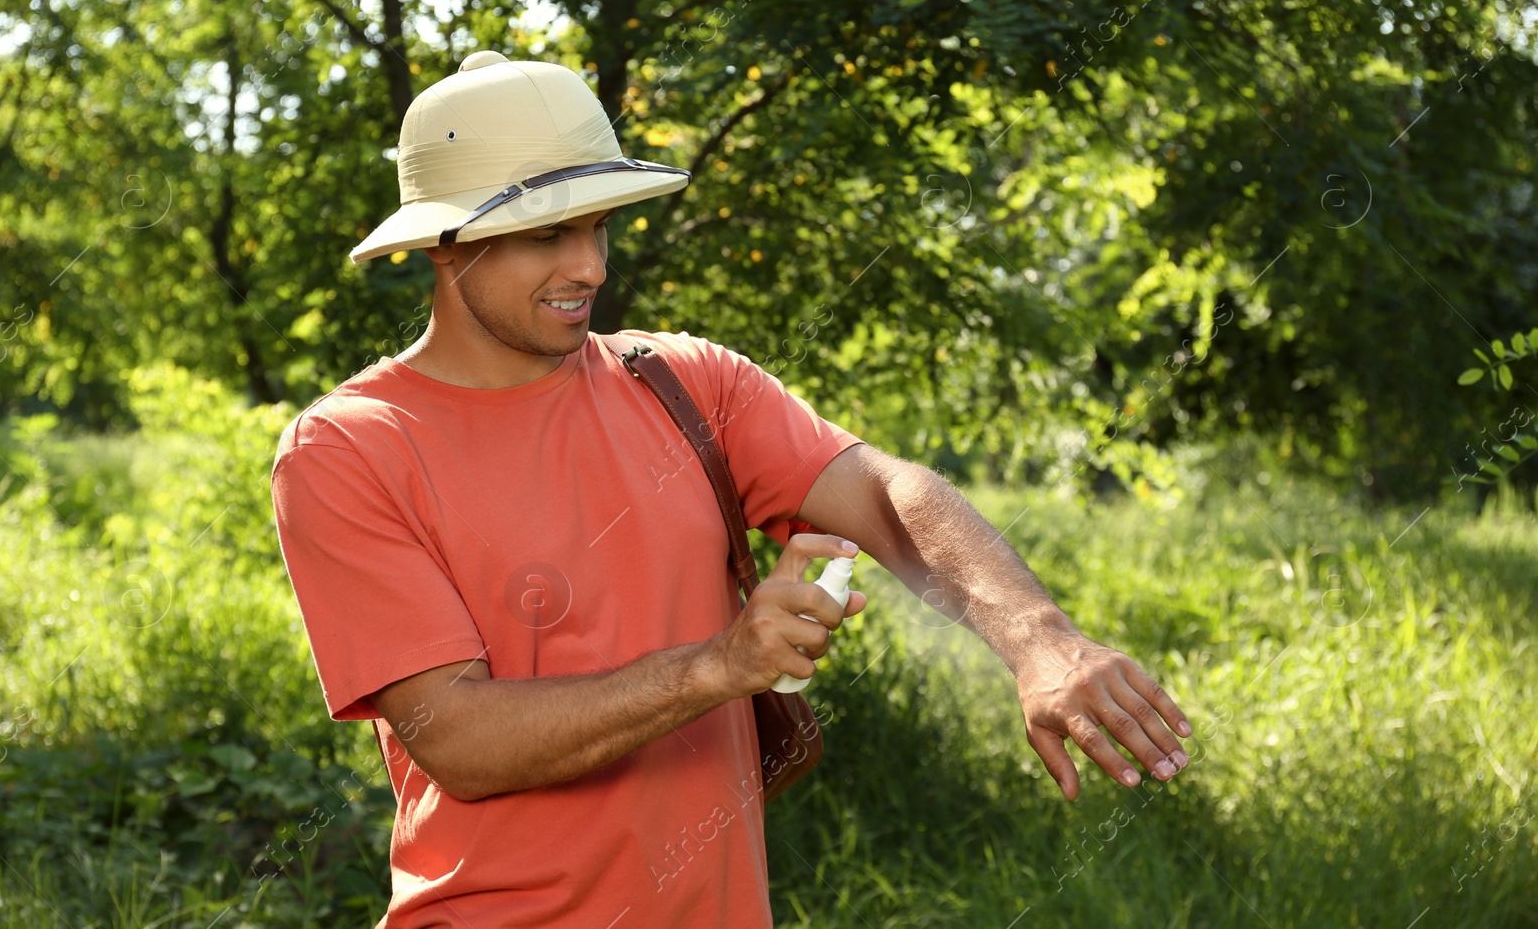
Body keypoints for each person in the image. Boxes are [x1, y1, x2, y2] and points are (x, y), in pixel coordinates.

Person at [270, 51, 1192, 928]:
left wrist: (1040, 640)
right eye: (547, 232)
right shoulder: (349, 449)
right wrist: (719, 664)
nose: (590, 265)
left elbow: (884, 492)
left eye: (598, 224)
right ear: (446, 244)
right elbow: (459, 739)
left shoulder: (682, 381)